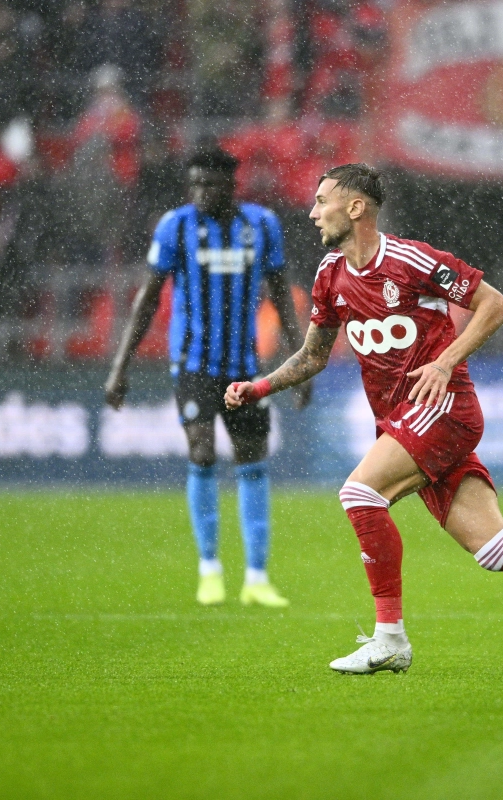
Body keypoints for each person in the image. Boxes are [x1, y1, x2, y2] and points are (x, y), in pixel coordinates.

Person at [225, 163, 503, 675]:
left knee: (359, 493)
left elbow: (495, 304)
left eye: (321, 201)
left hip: (445, 410)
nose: (311, 213)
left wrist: (445, 361)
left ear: (355, 208)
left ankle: (390, 638)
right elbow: (312, 357)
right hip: (403, 421)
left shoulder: (411, 260)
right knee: (497, 549)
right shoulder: (330, 275)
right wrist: (259, 387)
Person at [105, 145, 307, 608]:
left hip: (243, 367)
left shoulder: (261, 226)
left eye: (209, 184)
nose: (200, 192)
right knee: (201, 451)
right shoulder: (176, 226)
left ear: (231, 185)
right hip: (193, 364)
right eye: (193, 183)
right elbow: (147, 300)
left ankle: (256, 577)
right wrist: (120, 368)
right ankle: (210, 569)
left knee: (251, 459)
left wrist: (301, 363)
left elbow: (281, 295)